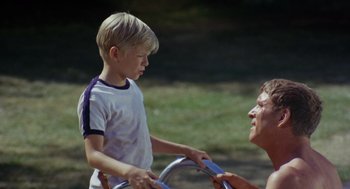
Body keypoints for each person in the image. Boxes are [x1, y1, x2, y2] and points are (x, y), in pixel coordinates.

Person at [77, 12, 210, 189]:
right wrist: (130, 172)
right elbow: (93, 154)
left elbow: (138, 140)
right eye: (140, 55)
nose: (146, 62)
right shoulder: (96, 98)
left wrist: (186, 151)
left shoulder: (132, 88)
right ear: (115, 53)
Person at [214, 79, 342, 189]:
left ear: (282, 117)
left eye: (260, 105)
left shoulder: (287, 177)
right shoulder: (327, 168)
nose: (251, 113)